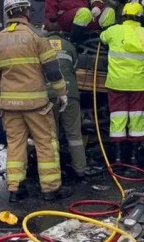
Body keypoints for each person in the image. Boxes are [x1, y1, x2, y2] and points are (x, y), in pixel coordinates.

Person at [0, 0, 73, 202]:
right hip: (37, 105)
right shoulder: (37, 38)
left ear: (7, 14)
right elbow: (52, 71)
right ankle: (50, 190)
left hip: (9, 106)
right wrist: (62, 93)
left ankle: (15, 190)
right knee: (45, 144)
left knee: (15, 145)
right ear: (26, 10)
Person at [100, 2, 144, 164]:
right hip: (139, 84)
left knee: (118, 117)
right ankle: (133, 158)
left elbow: (102, 38)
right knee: (138, 118)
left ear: (123, 15)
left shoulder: (114, 31)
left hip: (117, 83)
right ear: (141, 17)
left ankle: (118, 158)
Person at [45, 25, 87, 180]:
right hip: (70, 94)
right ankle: (80, 170)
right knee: (74, 135)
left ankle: (52, 173)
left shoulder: (39, 44)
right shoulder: (69, 46)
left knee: (50, 136)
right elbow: (74, 67)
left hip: (48, 95)